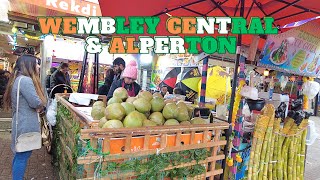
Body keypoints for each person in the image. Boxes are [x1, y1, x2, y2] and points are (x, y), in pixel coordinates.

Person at [3, 55, 47, 180]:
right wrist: (42, 104)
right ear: (29, 65)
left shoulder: (18, 79)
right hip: (25, 124)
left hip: (20, 121)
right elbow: (35, 102)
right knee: (22, 155)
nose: (38, 66)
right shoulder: (26, 80)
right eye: (37, 64)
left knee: (19, 155)